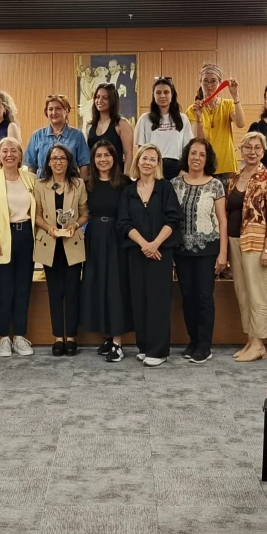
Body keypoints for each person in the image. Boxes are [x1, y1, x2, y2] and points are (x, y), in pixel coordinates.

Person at [119, 143, 181, 367]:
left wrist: (155, 244)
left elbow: (173, 219)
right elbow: (124, 223)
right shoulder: (128, 191)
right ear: (137, 161)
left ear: (158, 164)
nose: (147, 162)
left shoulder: (166, 188)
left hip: (160, 253)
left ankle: (159, 350)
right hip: (136, 252)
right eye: (144, 158)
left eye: (152, 159)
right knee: (139, 300)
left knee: (158, 301)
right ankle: (144, 347)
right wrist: (144, 244)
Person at [227, 131, 267, 362]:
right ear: (241, 150)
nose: (252, 152)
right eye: (248, 147)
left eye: (257, 147)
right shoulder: (233, 178)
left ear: (264, 151)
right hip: (234, 241)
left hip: (258, 243)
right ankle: (250, 340)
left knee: (257, 295)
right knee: (243, 294)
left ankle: (259, 344)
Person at [172, 138, 227, 363]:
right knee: (187, 297)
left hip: (208, 250)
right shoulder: (175, 183)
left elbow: (222, 221)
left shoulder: (216, 185)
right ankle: (193, 341)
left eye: (202, 154)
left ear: (207, 159)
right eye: (193, 153)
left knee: (204, 297)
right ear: (187, 156)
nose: (196, 158)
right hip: (181, 250)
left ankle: (204, 345)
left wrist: (223, 253)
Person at [0, 137, 37, 357]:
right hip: (1, 239)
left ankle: (20, 337)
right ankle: (3, 338)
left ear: (20, 155)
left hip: (27, 237)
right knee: (3, 291)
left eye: (14, 150)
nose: (9, 155)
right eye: (4, 151)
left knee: (23, 289)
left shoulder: (30, 178)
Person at [34, 144, 90, 356]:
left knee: (73, 292)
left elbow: (85, 212)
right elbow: (36, 214)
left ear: (68, 162)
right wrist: (48, 228)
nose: (58, 162)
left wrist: (75, 225)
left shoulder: (78, 184)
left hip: (72, 243)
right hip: (49, 244)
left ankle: (72, 337)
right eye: (54, 158)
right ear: (48, 162)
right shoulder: (40, 185)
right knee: (55, 293)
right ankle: (58, 337)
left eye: (62, 158)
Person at [80, 140, 132, 363]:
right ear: (93, 160)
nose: (103, 159)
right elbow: (83, 213)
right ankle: (107, 337)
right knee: (98, 285)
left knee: (115, 287)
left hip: (117, 237)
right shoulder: (87, 184)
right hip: (94, 238)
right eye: (98, 155)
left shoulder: (125, 183)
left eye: (107, 155)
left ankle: (118, 342)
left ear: (114, 158)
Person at [187, 62, 246, 176]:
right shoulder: (193, 109)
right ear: (200, 82)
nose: (209, 85)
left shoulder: (228, 104)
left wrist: (235, 96)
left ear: (219, 83)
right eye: (205, 81)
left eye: (213, 81)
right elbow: (199, 140)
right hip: (205, 167)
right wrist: (199, 117)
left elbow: (240, 123)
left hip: (227, 166)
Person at [134, 77, 193, 182]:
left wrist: (184, 170)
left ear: (172, 94)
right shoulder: (144, 119)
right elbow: (141, 150)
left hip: (177, 168)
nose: (162, 96)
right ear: (153, 95)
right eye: (158, 92)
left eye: (166, 92)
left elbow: (188, 148)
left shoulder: (182, 118)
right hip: (153, 167)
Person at [25, 94, 90, 177]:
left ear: (66, 110)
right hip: (43, 183)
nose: (54, 112)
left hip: (71, 183)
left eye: (58, 108)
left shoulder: (77, 135)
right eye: (50, 109)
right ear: (46, 112)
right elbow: (31, 166)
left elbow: (84, 164)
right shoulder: (37, 135)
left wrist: (82, 183)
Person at [86, 83, 134, 172]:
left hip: (117, 175)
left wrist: (126, 177)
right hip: (95, 175)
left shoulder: (122, 124)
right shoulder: (90, 125)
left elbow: (128, 154)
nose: (100, 100)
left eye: (105, 98)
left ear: (112, 100)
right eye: (97, 97)